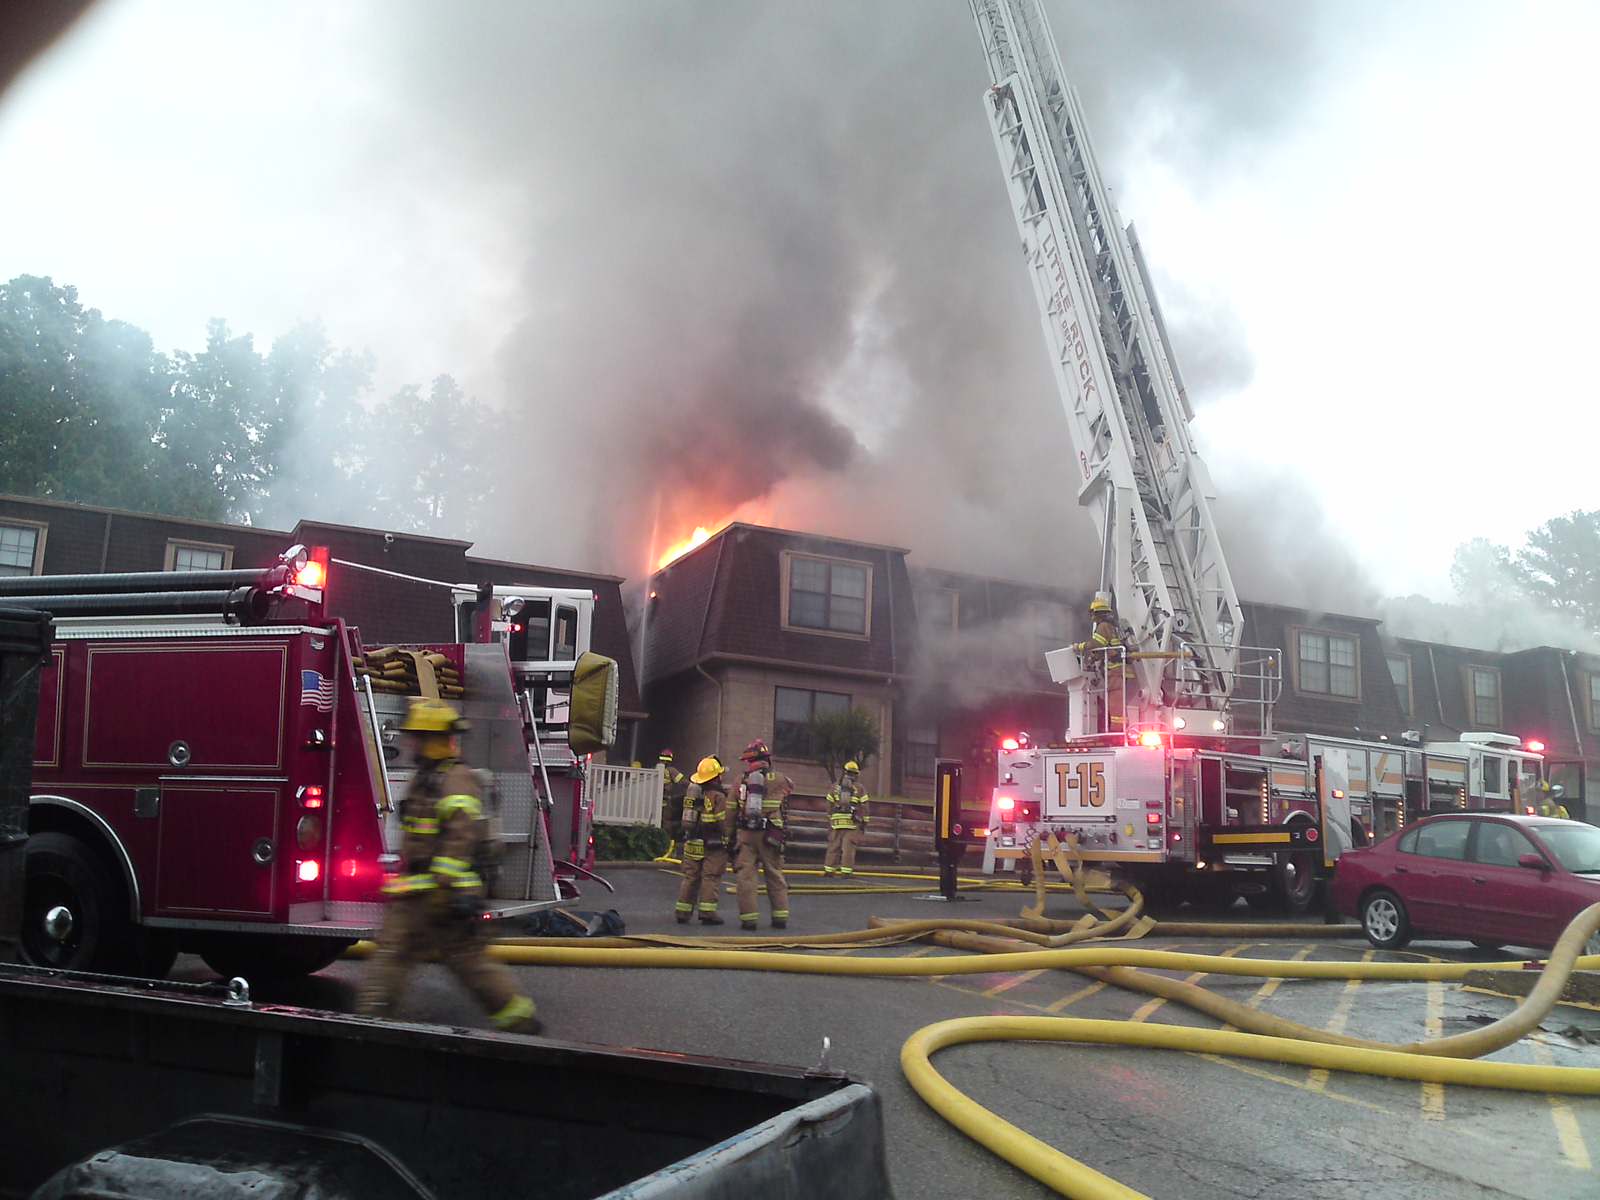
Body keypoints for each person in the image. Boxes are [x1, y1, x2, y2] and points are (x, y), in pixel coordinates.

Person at [359, 698, 540, 1034]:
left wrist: (443, 885)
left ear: (434, 739)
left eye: (418, 737)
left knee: (456, 960)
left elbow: (460, 836)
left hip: (442, 894)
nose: (411, 743)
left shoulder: (456, 779)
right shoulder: (426, 778)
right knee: (407, 955)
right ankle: (368, 1022)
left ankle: (521, 1025)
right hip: (421, 892)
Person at [734, 738, 793, 931]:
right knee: (775, 874)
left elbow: (729, 811)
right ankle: (780, 918)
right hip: (771, 833)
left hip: (747, 833)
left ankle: (749, 920)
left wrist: (728, 836)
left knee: (746, 877)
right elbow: (787, 796)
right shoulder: (781, 779)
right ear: (767, 758)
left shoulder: (740, 780)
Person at [674, 755, 733, 925]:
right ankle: (707, 913)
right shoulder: (718, 796)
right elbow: (723, 821)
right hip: (712, 844)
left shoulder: (694, 793)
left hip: (692, 840)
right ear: (716, 776)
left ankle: (682, 912)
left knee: (690, 876)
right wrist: (729, 838)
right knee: (710, 877)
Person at [1073, 592, 1124, 731]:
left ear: (1098, 613)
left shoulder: (1103, 626)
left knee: (1115, 703)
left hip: (1115, 669)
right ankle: (1116, 728)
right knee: (1112, 701)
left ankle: (1118, 731)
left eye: (1093, 613)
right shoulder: (1110, 626)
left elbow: (1096, 643)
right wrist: (1095, 657)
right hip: (1114, 669)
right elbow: (1104, 647)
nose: (1092, 617)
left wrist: (1079, 647)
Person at [823, 760, 870, 877]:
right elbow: (865, 806)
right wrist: (865, 822)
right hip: (851, 824)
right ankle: (846, 872)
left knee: (833, 847)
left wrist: (830, 818)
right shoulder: (859, 788)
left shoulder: (834, 787)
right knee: (848, 849)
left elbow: (829, 804)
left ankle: (829, 870)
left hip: (836, 823)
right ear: (856, 774)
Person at [658, 748, 688, 834]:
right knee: (667, 821)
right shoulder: (671, 770)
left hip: (655, 801)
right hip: (665, 800)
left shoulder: (655, 768)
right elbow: (682, 782)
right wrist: (694, 786)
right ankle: (667, 841)